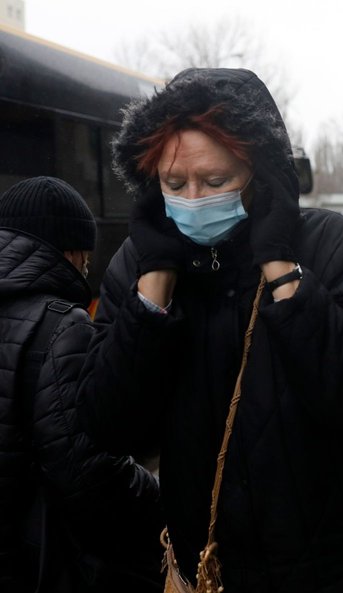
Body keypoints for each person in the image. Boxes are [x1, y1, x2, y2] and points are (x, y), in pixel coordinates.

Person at [80, 69, 343, 591]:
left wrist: (281, 268)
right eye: (173, 184)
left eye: (215, 182)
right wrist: (153, 295)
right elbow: (110, 425)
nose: (193, 198)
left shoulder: (326, 244)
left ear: (262, 173)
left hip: (330, 564)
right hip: (207, 564)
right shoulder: (136, 265)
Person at [0, 177, 163, 592]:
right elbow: (88, 477)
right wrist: (166, 500)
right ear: (69, 251)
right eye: (86, 257)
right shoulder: (62, 325)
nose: (87, 267)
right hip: (38, 563)